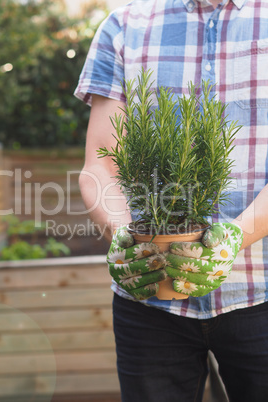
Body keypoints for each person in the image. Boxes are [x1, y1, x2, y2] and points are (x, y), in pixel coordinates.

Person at [74, 0, 268, 401]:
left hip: (261, 292)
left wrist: (235, 235)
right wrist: (125, 235)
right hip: (149, 305)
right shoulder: (123, 26)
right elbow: (101, 163)